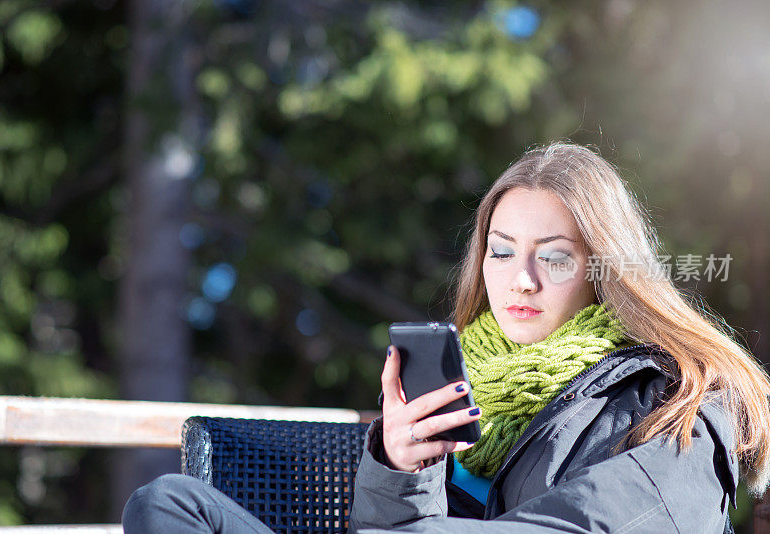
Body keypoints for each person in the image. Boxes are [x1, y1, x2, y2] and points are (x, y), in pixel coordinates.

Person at [122, 142, 770, 533]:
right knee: (170, 504)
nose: (521, 280)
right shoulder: (470, 384)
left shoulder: (679, 398)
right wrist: (404, 466)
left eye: (555, 256)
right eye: (502, 251)